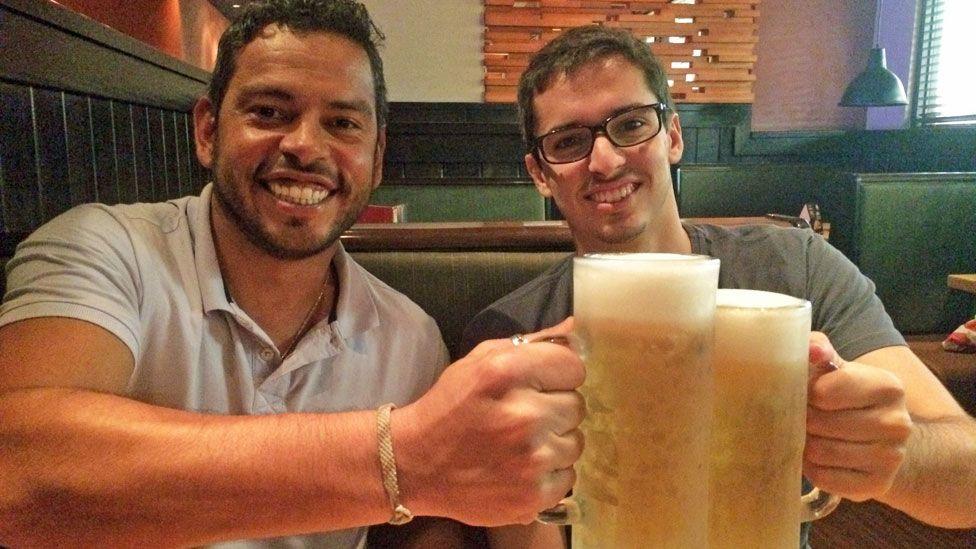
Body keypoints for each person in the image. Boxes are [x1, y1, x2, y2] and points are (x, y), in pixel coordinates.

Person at [0, 1, 585, 547]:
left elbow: (426, 535)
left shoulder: (409, 338)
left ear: (377, 159)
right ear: (208, 130)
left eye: (343, 124)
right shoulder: (106, 250)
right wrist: (403, 457)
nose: (305, 145)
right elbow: (21, 473)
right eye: (269, 113)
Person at [461, 24, 976, 547]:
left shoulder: (796, 270)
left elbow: (968, 484)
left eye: (632, 124)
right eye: (568, 142)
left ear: (674, 136)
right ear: (540, 174)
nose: (607, 160)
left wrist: (893, 456)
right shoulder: (512, 336)